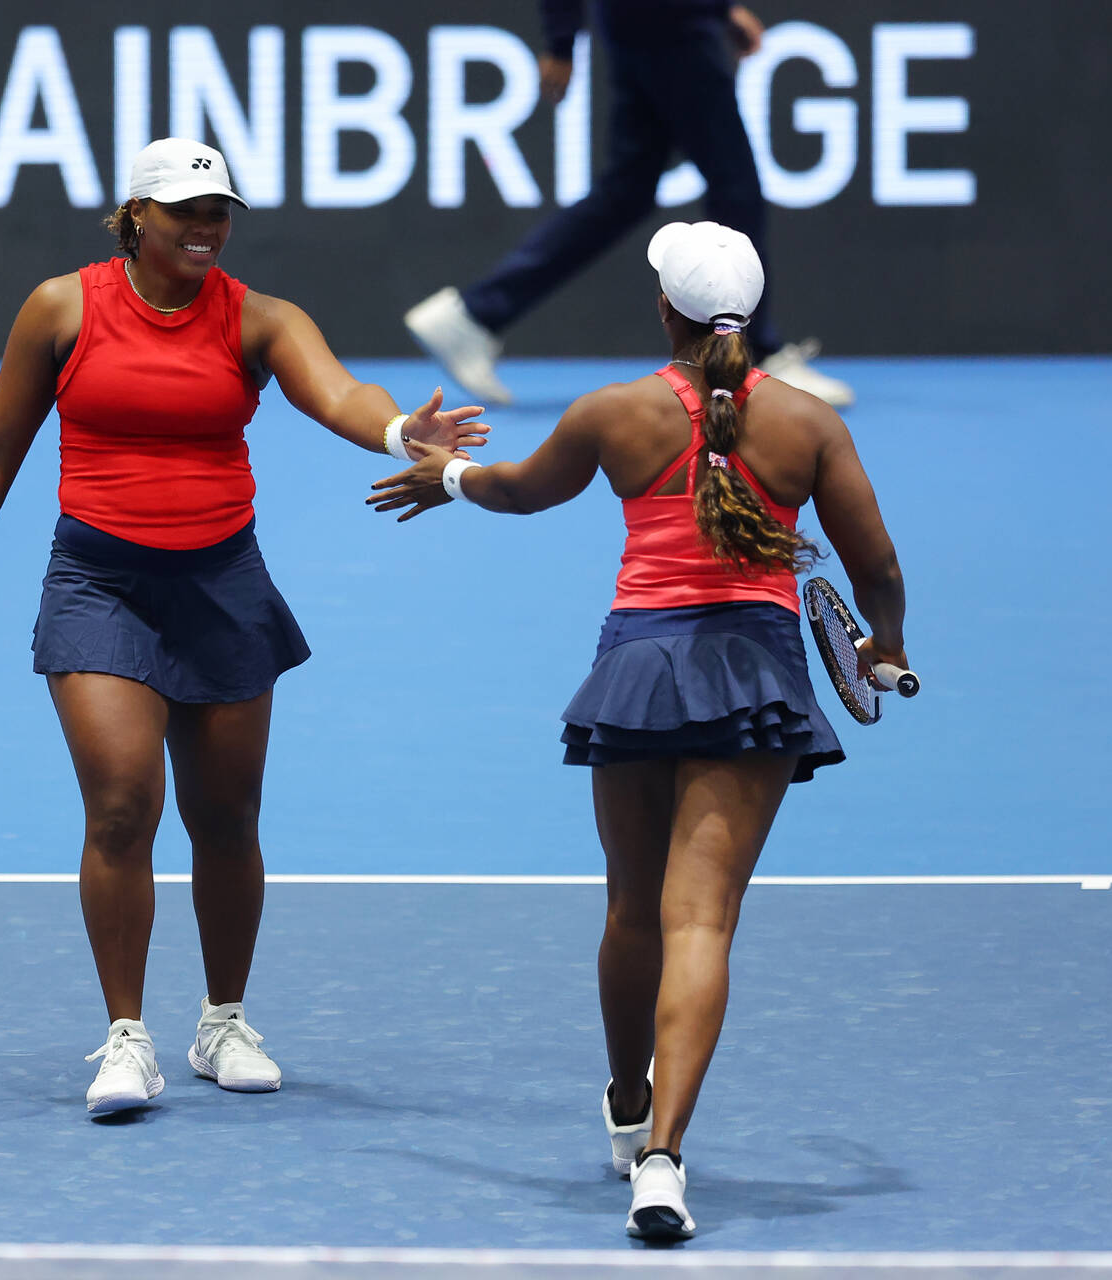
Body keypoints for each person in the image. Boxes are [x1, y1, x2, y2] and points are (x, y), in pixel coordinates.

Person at [0, 138, 487, 1117]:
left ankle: (223, 1020)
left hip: (222, 586)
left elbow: (340, 392)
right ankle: (125, 1035)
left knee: (225, 818)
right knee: (124, 804)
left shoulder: (258, 319)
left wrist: (401, 435)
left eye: (219, 209)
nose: (206, 226)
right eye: (185, 209)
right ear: (135, 214)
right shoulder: (62, 307)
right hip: (100, 584)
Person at [369, 221, 908, 1239]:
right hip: (753, 677)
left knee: (632, 911)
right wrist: (884, 639)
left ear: (665, 311)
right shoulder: (806, 424)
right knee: (699, 919)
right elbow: (875, 559)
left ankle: (626, 1099)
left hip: (637, 673)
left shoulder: (613, 412)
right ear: (749, 321)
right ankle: (663, 1156)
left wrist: (443, 474)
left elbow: (523, 490)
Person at [404, 2, 854, 410]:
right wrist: (561, 41)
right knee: (735, 189)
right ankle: (751, 352)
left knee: (629, 191)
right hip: (671, 23)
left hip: (641, 20)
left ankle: (475, 314)